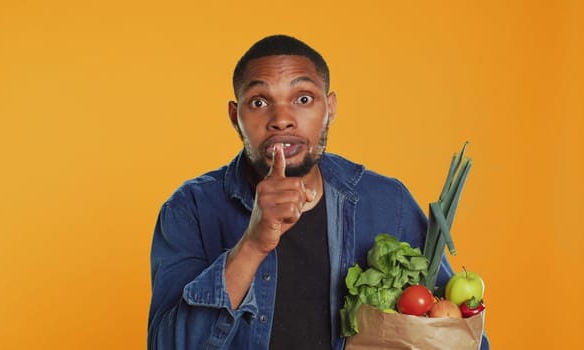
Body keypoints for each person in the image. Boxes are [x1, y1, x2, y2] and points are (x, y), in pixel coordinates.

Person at [148, 34, 489, 350]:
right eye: (259, 102)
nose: (282, 119)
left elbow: (456, 331)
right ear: (235, 117)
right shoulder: (189, 209)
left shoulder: (388, 203)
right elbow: (168, 345)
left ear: (330, 109)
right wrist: (253, 244)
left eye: (303, 98)